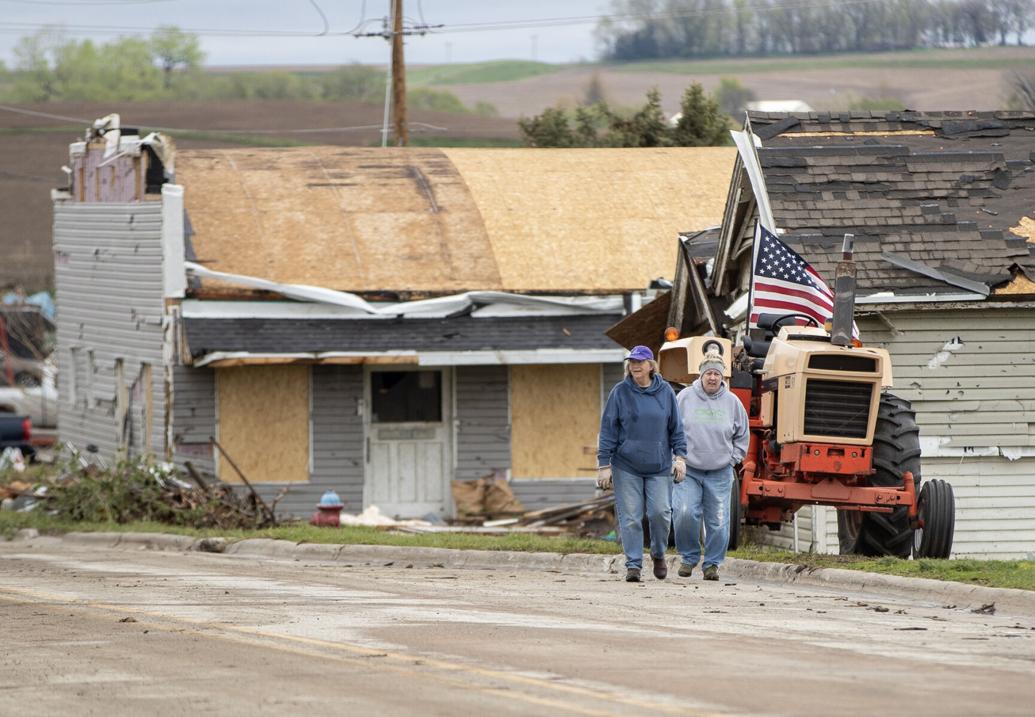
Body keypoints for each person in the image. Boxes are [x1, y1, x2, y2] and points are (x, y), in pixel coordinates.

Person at [598, 345, 687, 583]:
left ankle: (658, 553)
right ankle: (634, 565)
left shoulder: (665, 392)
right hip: (626, 465)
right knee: (631, 517)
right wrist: (603, 465)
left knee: (660, 513)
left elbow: (676, 428)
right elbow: (608, 429)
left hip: (659, 465)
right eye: (632, 362)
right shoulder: (620, 392)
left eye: (639, 362)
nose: (635, 366)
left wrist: (680, 458)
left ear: (650, 365)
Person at [672, 351, 749, 581]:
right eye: (709, 373)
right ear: (701, 375)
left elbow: (742, 435)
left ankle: (712, 564)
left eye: (717, 373)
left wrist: (733, 459)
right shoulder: (684, 397)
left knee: (718, 521)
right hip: (688, 470)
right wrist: (676, 459)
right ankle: (688, 557)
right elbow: (671, 429)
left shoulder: (733, 402)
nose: (713, 378)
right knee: (685, 512)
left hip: (720, 471)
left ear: (722, 376)